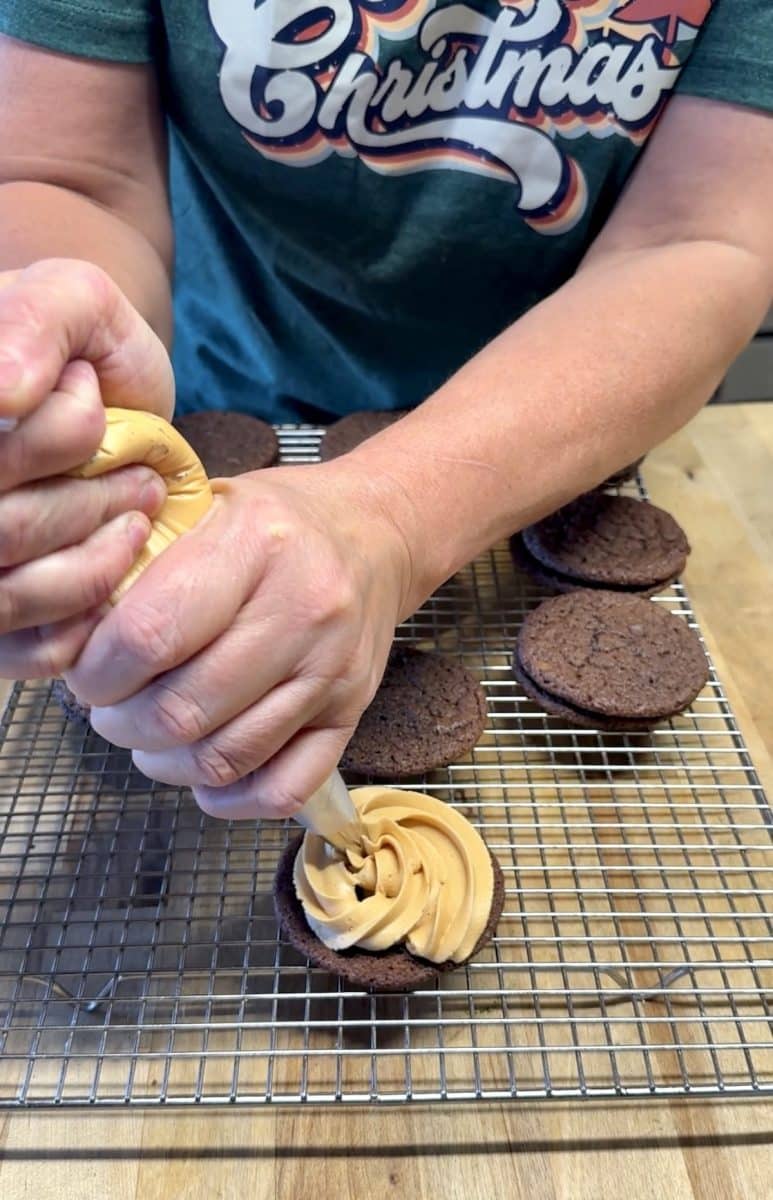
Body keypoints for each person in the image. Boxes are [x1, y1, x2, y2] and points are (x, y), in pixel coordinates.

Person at [0, 2, 770, 823]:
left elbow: (700, 236)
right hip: (225, 384)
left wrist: (397, 512)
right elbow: (69, 175)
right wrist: (52, 358)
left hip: (570, 436)